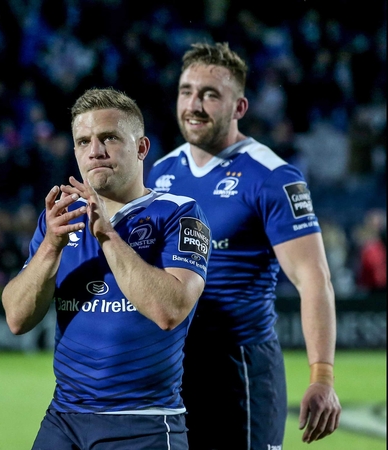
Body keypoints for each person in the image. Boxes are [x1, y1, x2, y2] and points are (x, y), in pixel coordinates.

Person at [146, 41, 341, 447]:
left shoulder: (272, 177)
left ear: (239, 108)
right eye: (187, 92)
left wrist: (322, 375)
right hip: (172, 368)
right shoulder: (161, 172)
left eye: (210, 95)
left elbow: (313, 279)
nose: (194, 105)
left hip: (241, 369)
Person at [2, 87, 211, 450]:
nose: (94, 151)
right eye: (83, 142)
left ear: (142, 148)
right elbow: (17, 318)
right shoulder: (60, 221)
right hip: (63, 420)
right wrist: (51, 245)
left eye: (109, 138)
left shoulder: (180, 213)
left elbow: (170, 310)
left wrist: (109, 237)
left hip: (145, 421)